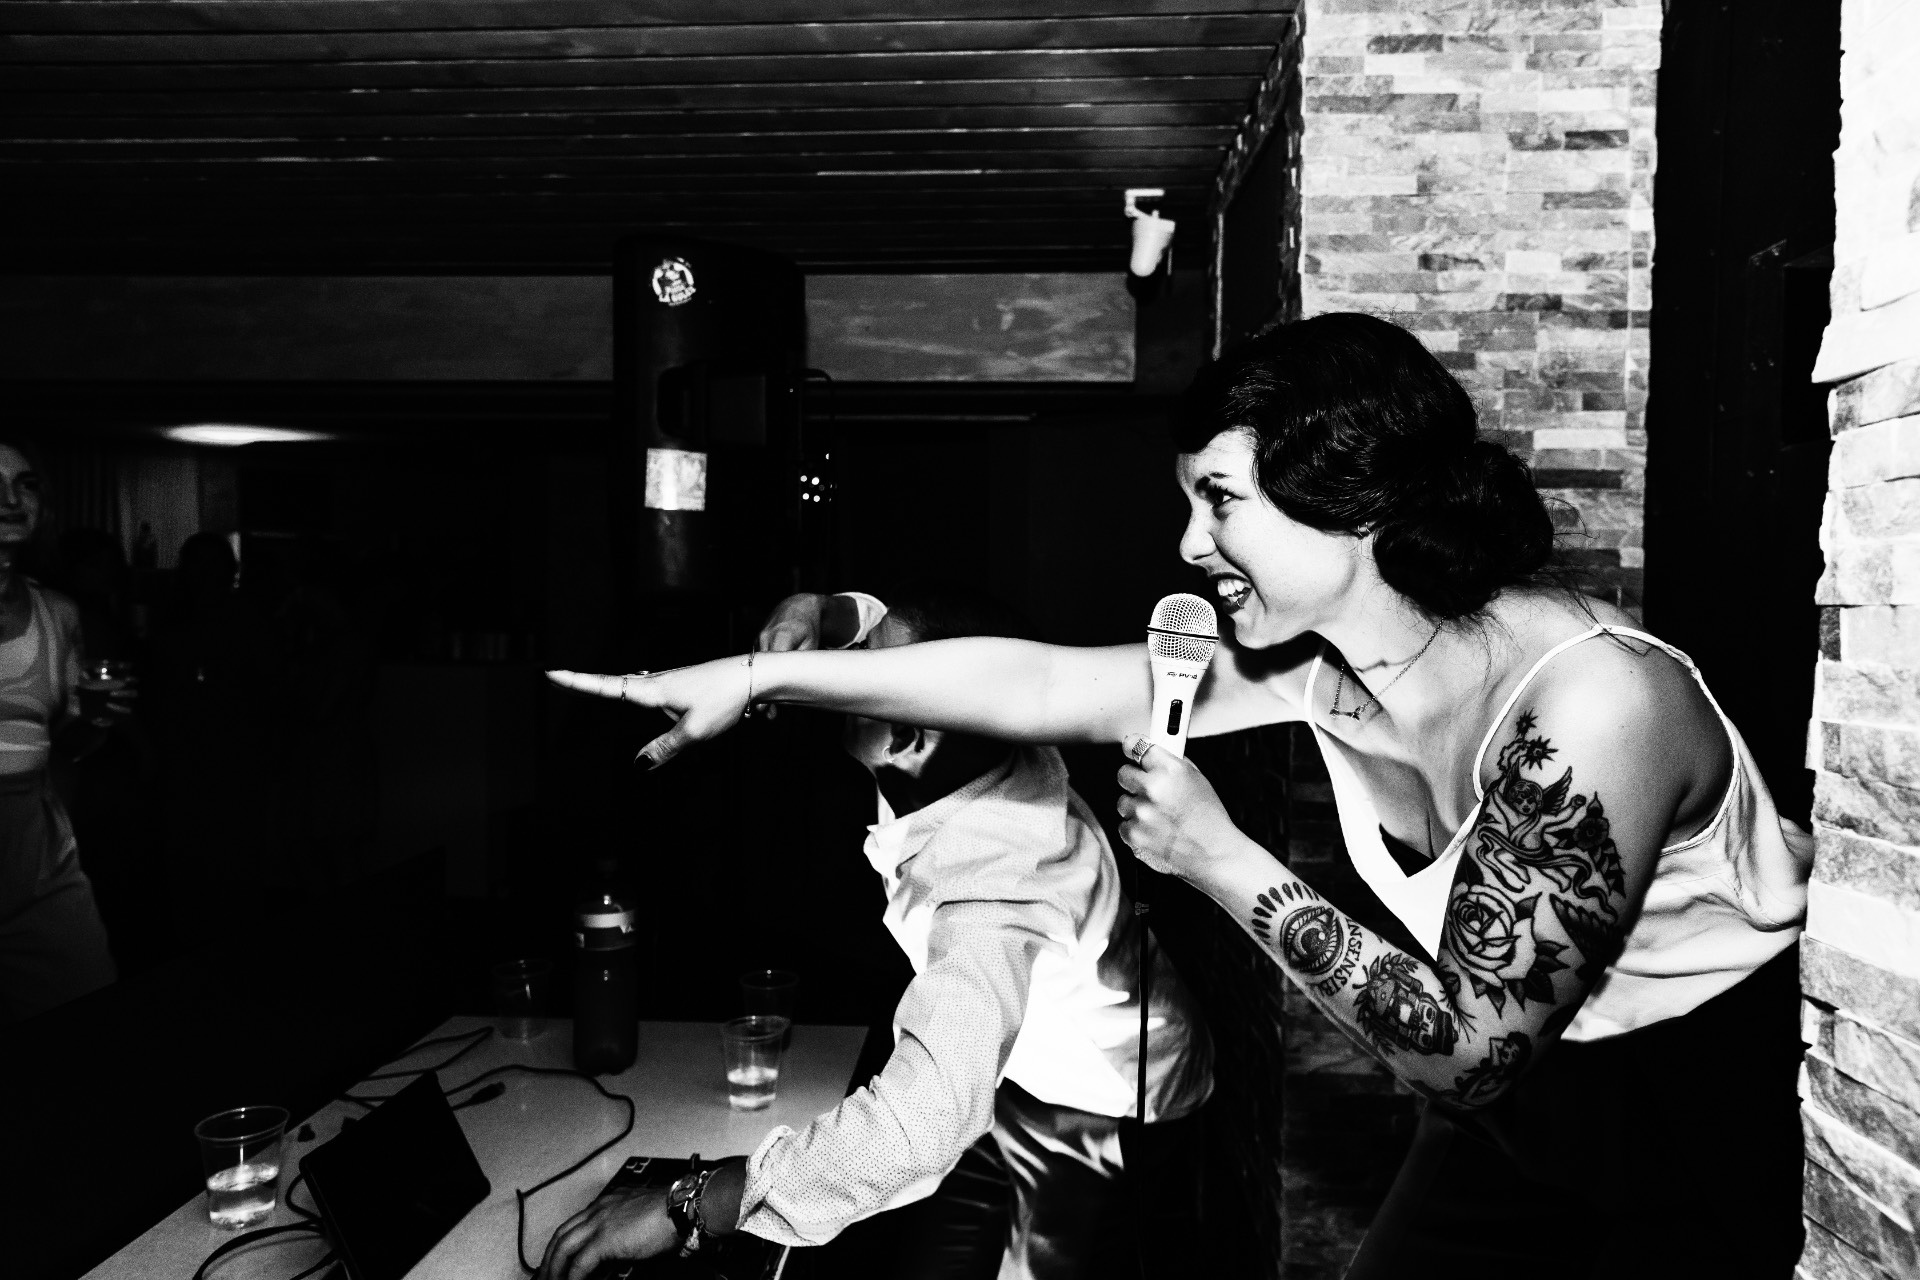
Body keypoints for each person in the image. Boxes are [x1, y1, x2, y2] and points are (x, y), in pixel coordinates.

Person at [549, 313, 1813, 1277]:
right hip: (1510, 1102)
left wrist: (1219, 857)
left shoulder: (1597, 705)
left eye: (1220, 502)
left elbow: (1473, 1049)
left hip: (1690, 1107)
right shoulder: (1323, 661)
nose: (1189, 546)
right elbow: (1044, 683)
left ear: (1353, 503)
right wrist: (764, 673)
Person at [538, 585, 1213, 1280]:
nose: (845, 671)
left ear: (907, 736)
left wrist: (691, 1204)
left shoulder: (999, 884)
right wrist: (817, 610)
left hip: (1095, 1102)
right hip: (1001, 1068)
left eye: (868, 669)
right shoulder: (980, 725)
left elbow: (916, 1130)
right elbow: (894, 628)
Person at [0, 438, 132, 1022]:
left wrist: (97, 721)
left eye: (24, 484)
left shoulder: (57, 613)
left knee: (86, 1020)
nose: (10, 501)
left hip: (37, 866)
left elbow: (65, 748)